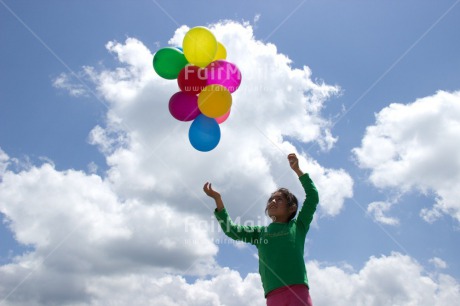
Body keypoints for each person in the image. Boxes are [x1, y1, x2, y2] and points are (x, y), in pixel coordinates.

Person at [203, 153, 319, 306]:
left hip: (298, 291)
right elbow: (231, 230)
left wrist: (298, 170)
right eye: (271, 199)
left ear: (292, 208)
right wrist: (218, 200)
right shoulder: (260, 233)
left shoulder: (298, 226)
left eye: (279, 199)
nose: (273, 201)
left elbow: (313, 197)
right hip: (273, 296)